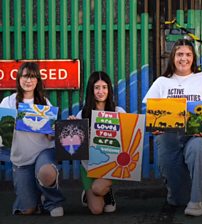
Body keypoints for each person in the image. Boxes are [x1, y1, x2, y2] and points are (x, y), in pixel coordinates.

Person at [142, 38, 202, 216]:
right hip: (171, 136)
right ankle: (178, 195)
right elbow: (152, 113)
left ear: (193, 58)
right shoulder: (162, 83)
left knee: (199, 146)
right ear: (173, 57)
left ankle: (197, 202)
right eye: (179, 54)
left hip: (201, 136)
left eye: (188, 54)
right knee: (178, 200)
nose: (183, 58)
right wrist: (155, 126)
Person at [0, 62, 65, 217]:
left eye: (32, 77)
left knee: (46, 173)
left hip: (43, 152)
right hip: (21, 160)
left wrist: (54, 131)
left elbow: (50, 136)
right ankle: (38, 195)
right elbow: (4, 136)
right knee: (27, 210)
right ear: (19, 79)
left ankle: (52, 201)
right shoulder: (7, 102)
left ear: (37, 81)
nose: (28, 81)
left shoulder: (44, 103)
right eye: (24, 76)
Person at [69, 71, 125, 215]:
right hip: (89, 167)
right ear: (91, 90)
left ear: (109, 89)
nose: (101, 91)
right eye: (97, 87)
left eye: (104, 87)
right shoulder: (81, 114)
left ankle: (106, 192)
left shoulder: (119, 112)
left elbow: (128, 142)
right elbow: (74, 146)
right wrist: (72, 128)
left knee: (98, 188)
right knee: (96, 210)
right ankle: (89, 193)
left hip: (111, 167)